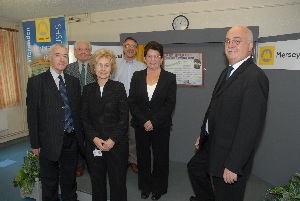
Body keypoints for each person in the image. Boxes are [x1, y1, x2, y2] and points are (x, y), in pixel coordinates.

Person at [187, 25, 269, 201]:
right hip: (213, 143)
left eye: (237, 41)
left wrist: (234, 165)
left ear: (250, 46)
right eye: (228, 41)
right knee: (195, 168)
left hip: (231, 153)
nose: (230, 45)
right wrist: (204, 133)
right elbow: (214, 107)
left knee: (227, 195)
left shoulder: (255, 77)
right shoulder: (227, 71)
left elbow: (250, 127)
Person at [26, 44, 83, 201]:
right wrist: (35, 143)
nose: (62, 59)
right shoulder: (36, 82)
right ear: (49, 57)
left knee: (69, 179)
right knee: (49, 182)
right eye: (58, 55)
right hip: (48, 141)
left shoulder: (73, 82)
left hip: (71, 140)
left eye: (65, 55)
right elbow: (32, 115)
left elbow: (76, 112)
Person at [128, 41, 177, 200]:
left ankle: (159, 188)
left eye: (156, 56)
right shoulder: (137, 76)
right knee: (142, 157)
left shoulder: (169, 78)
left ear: (162, 59)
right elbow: (132, 102)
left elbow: (170, 104)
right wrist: (143, 120)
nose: (153, 59)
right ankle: (145, 186)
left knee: (160, 158)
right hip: (141, 124)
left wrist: (153, 121)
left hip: (160, 125)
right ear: (144, 58)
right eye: (150, 56)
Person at [82, 48, 129, 201]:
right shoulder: (87, 90)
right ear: (94, 68)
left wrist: (112, 140)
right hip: (95, 144)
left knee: (118, 182)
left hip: (116, 144)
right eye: (99, 65)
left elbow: (124, 118)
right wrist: (94, 138)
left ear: (112, 67)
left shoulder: (118, 88)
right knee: (97, 182)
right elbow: (85, 118)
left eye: (106, 65)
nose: (103, 69)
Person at [112, 36, 146, 173]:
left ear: (136, 49)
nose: (130, 48)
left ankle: (134, 160)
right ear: (123, 48)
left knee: (133, 135)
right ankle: (121, 159)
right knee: (119, 134)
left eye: (133, 46)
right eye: (127, 46)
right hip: (118, 105)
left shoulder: (142, 67)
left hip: (135, 106)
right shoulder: (115, 66)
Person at [65, 40, 96, 177]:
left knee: (91, 137)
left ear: (90, 52)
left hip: (93, 110)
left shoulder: (95, 67)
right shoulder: (68, 68)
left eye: (86, 49)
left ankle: (93, 162)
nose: (83, 52)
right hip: (74, 109)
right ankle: (79, 164)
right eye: (80, 49)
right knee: (77, 138)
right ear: (75, 52)